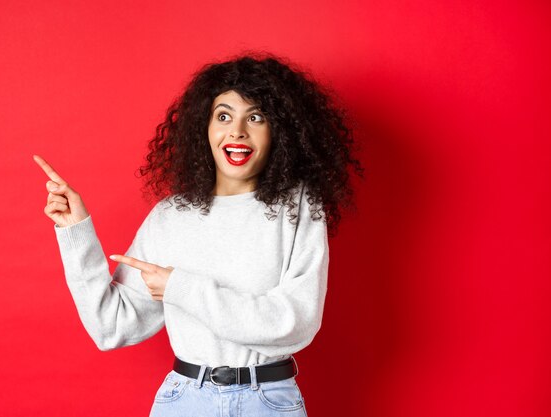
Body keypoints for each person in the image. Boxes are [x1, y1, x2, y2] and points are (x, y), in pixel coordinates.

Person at [34, 52, 362, 417]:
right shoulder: (171, 218)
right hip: (186, 401)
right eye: (223, 116)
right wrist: (76, 231)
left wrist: (180, 288)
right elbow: (111, 327)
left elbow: (294, 323)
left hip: (268, 402)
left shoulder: (297, 207)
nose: (237, 130)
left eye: (255, 117)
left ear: (279, 131)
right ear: (204, 128)